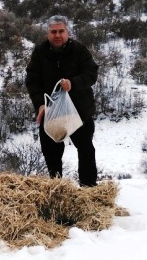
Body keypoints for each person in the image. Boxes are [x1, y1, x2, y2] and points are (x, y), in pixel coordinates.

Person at [25, 15, 99, 187]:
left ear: (68, 32)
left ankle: (88, 189)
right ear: (47, 34)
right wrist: (40, 104)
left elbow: (91, 74)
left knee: (86, 149)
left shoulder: (79, 50)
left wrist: (73, 83)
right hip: (51, 111)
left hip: (79, 110)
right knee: (51, 152)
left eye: (61, 31)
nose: (57, 35)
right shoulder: (40, 52)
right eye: (53, 32)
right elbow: (32, 80)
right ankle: (57, 188)